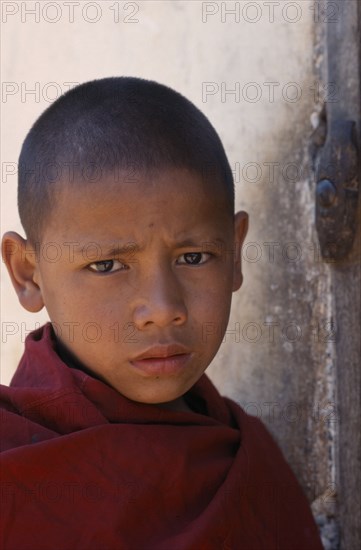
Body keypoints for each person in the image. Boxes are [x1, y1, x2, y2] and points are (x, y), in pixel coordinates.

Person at [0, 77, 323, 549]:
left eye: (193, 258)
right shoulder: (14, 472)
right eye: (106, 265)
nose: (163, 310)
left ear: (234, 255)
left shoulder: (249, 465)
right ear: (28, 274)